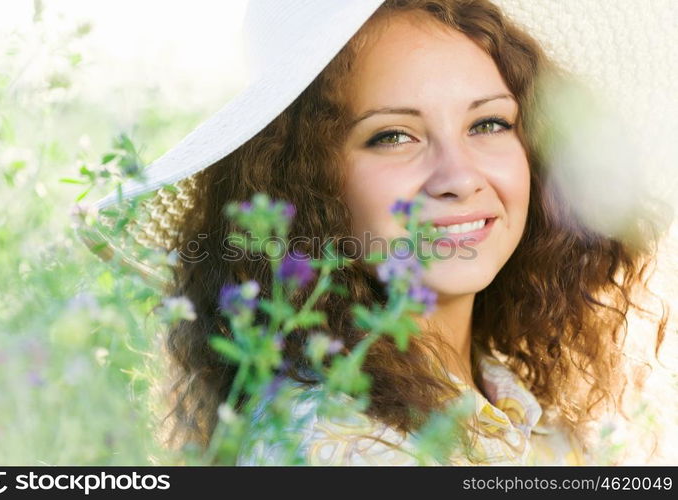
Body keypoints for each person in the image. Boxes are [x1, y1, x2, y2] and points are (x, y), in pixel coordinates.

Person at [83, 0, 671, 465]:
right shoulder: (336, 446)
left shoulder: (520, 403)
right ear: (305, 184)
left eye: (488, 122)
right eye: (392, 135)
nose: (459, 177)